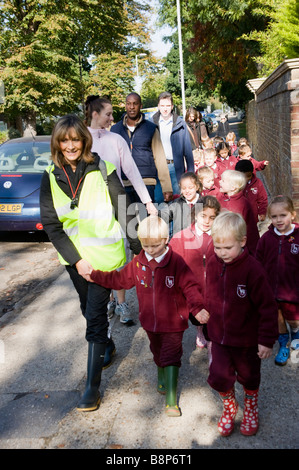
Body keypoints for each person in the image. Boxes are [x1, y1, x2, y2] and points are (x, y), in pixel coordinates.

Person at [39, 114, 142, 412]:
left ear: (84, 140)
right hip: (74, 260)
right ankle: (107, 345)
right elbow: (52, 225)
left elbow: (124, 210)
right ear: (57, 142)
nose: (70, 145)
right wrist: (77, 261)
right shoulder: (49, 175)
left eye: (76, 139)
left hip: (105, 259)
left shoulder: (103, 168)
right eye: (65, 140)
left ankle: (91, 389)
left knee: (95, 317)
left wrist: (141, 250)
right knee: (88, 310)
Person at [84, 215, 209, 417]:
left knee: (171, 356)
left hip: (173, 322)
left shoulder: (176, 262)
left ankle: (171, 400)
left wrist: (197, 308)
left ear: (165, 240)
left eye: (155, 245)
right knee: (157, 352)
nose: (150, 250)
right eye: (146, 245)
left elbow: (190, 287)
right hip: (150, 322)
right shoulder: (138, 263)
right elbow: (119, 280)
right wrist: (96, 275)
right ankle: (161, 377)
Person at [85, 95, 157, 325]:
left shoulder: (116, 139)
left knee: (128, 247)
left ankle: (121, 300)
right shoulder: (81, 139)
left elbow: (133, 172)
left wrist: (147, 202)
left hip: (118, 199)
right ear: (95, 114)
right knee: (101, 253)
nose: (112, 118)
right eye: (107, 113)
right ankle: (107, 299)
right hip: (93, 205)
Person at [206, 211, 278, 436]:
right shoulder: (213, 263)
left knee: (249, 376)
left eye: (228, 248)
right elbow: (209, 294)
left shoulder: (253, 270)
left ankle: (250, 407)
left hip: (247, 340)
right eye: (218, 247)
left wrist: (266, 341)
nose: (222, 253)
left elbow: (267, 307)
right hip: (219, 337)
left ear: (243, 242)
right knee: (218, 375)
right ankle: (230, 407)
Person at [170, 196, 221, 349]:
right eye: (203, 216)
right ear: (195, 214)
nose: (207, 221)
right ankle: (199, 330)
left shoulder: (221, 237)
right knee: (197, 319)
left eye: (212, 217)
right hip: (193, 291)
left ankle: (215, 360)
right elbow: (172, 265)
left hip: (215, 290)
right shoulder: (180, 238)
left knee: (214, 330)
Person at [256, 195, 299, 365]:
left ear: (292, 215)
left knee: (293, 319)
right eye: (274, 217)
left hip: (293, 291)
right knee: (278, 319)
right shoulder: (266, 238)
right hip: (271, 291)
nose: (278, 220)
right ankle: (284, 345)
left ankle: (296, 335)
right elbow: (257, 262)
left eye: (283, 215)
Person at [110, 92, 173, 204]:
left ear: (141, 106)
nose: (132, 107)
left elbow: (160, 159)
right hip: (123, 183)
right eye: (129, 104)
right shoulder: (115, 130)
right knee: (127, 221)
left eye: (135, 103)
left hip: (146, 183)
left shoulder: (151, 128)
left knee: (146, 221)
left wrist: (167, 187)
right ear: (125, 106)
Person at [152, 92, 194, 201]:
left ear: (172, 106)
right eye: (162, 105)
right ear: (158, 106)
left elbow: (188, 151)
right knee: (159, 201)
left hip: (176, 168)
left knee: (177, 201)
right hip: (158, 169)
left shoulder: (180, 124)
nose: (165, 109)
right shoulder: (151, 124)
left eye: (167, 106)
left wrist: (190, 173)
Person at [218, 169, 260, 255]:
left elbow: (251, 229)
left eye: (223, 181)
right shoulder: (219, 199)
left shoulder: (243, 203)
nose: (219, 182)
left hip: (237, 245)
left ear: (233, 187)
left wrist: (253, 250)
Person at [159, 172, 202, 237]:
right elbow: (164, 215)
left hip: (198, 242)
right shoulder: (177, 203)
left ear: (197, 187)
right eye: (184, 188)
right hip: (179, 241)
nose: (187, 191)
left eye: (190, 188)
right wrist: (156, 213)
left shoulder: (204, 203)